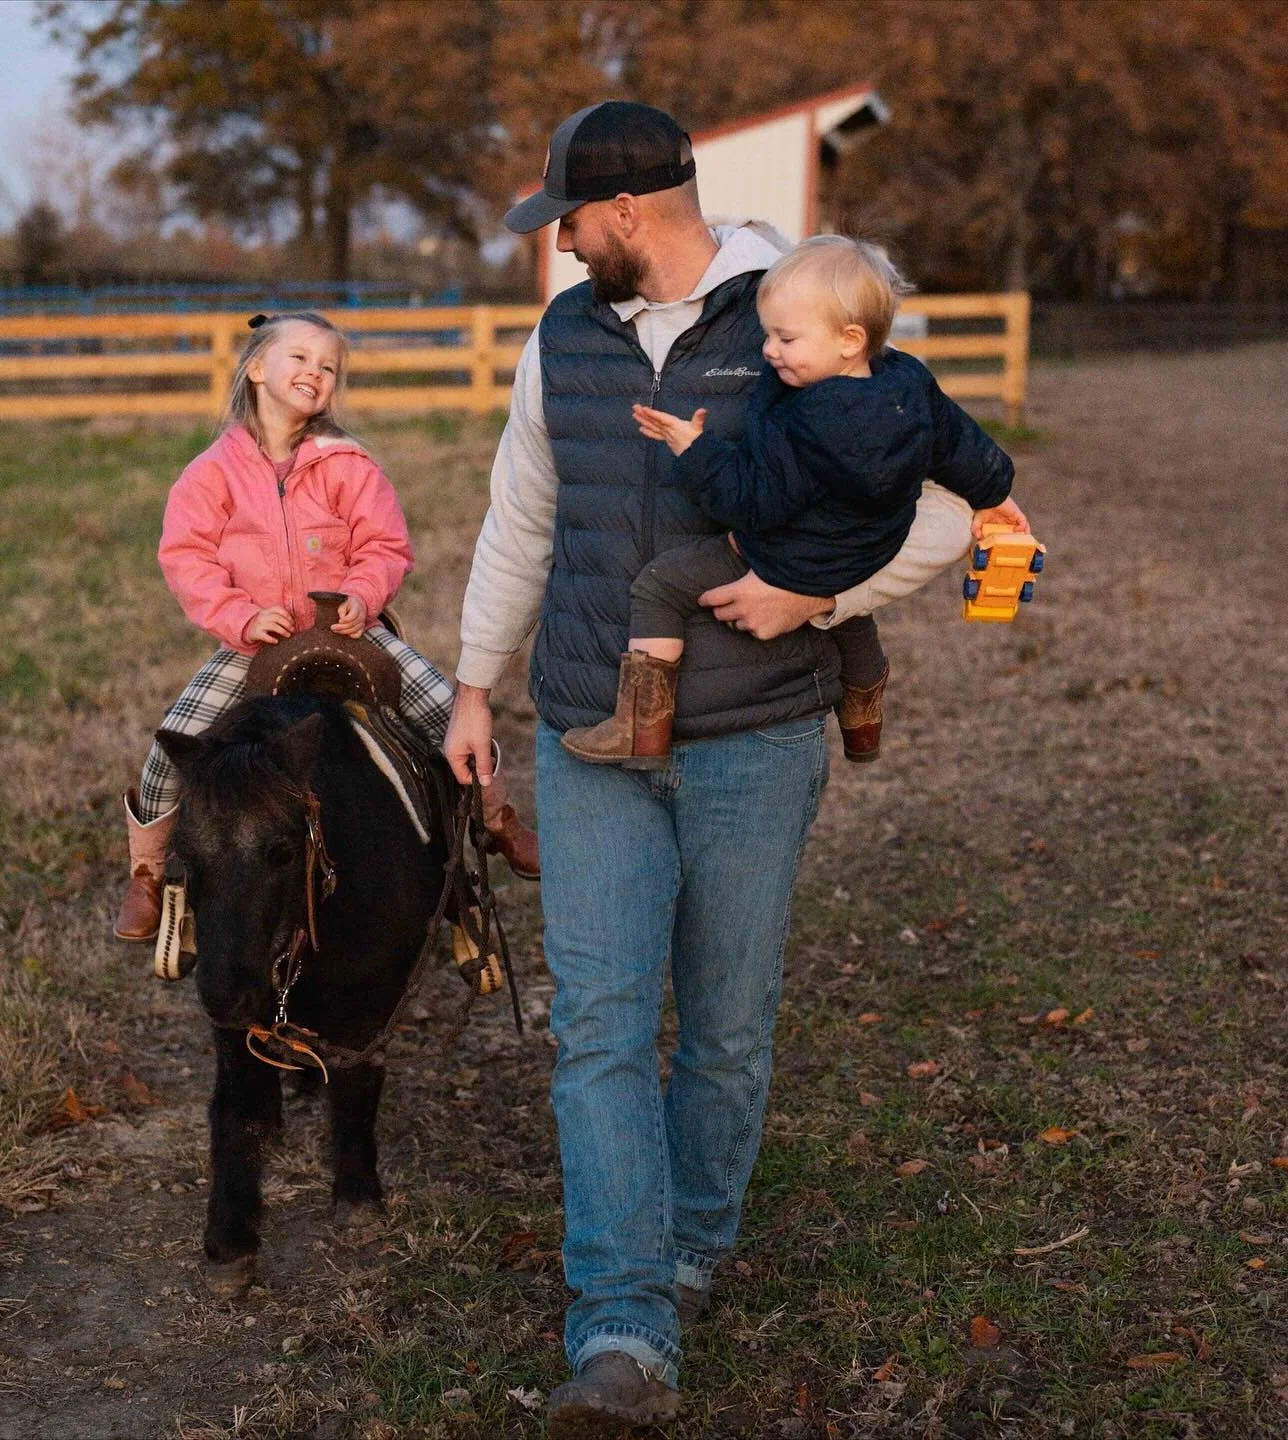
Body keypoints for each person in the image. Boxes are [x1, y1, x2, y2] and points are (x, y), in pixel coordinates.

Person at [441, 101, 990, 1434]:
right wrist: (470, 683)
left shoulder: (800, 310)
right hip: (588, 731)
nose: (563, 249)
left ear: (624, 212)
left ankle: (691, 1241)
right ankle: (623, 1320)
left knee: (728, 1031)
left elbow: (948, 508)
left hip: (752, 740)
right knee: (603, 1031)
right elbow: (525, 512)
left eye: (569, 222)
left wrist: (818, 603)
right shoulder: (560, 338)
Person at [113, 311, 538, 944]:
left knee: (449, 713)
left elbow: (384, 545)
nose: (316, 373)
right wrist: (241, 617)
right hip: (256, 642)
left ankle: (495, 818)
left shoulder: (349, 465)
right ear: (256, 368)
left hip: (346, 633)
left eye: (329, 366)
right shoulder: (211, 473)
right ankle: (147, 872)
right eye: (301, 359)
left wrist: (364, 597)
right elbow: (188, 559)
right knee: (173, 746)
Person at [560, 234, 1025, 770]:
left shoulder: (808, 421)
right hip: (871, 546)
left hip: (791, 558)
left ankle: (641, 728)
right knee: (850, 607)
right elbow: (960, 443)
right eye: (769, 335)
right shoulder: (908, 381)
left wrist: (696, 449)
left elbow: (750, 502)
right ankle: (863, 706)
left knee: (659, 585)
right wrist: (995, 494)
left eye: (786, 338)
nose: (769, 350)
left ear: (849, 339)